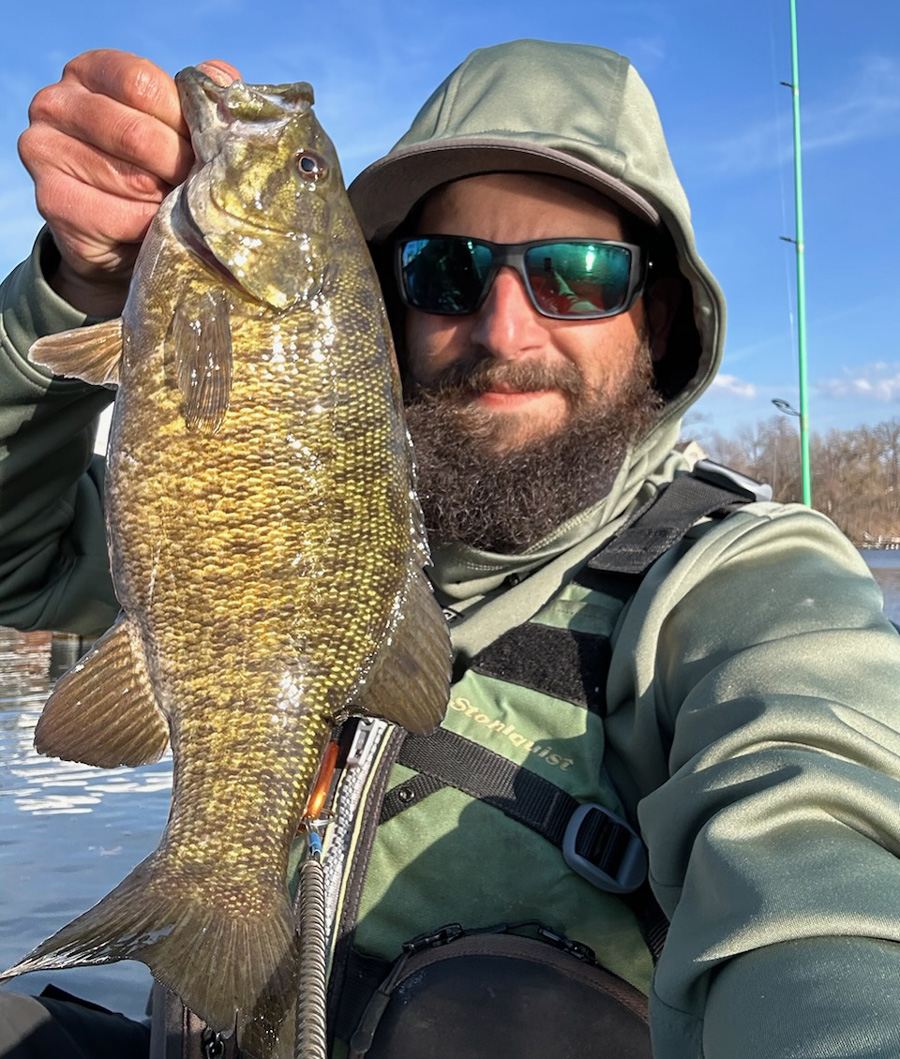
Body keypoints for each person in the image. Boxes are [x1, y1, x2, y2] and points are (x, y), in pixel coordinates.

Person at [1, 38, 900, 1059]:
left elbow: (829, 872)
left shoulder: (746, 588)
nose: (505, 327)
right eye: (448, 269)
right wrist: (63, 298)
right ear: (388, 306)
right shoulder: (300, 496)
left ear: (657, 315)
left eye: (578, 272)